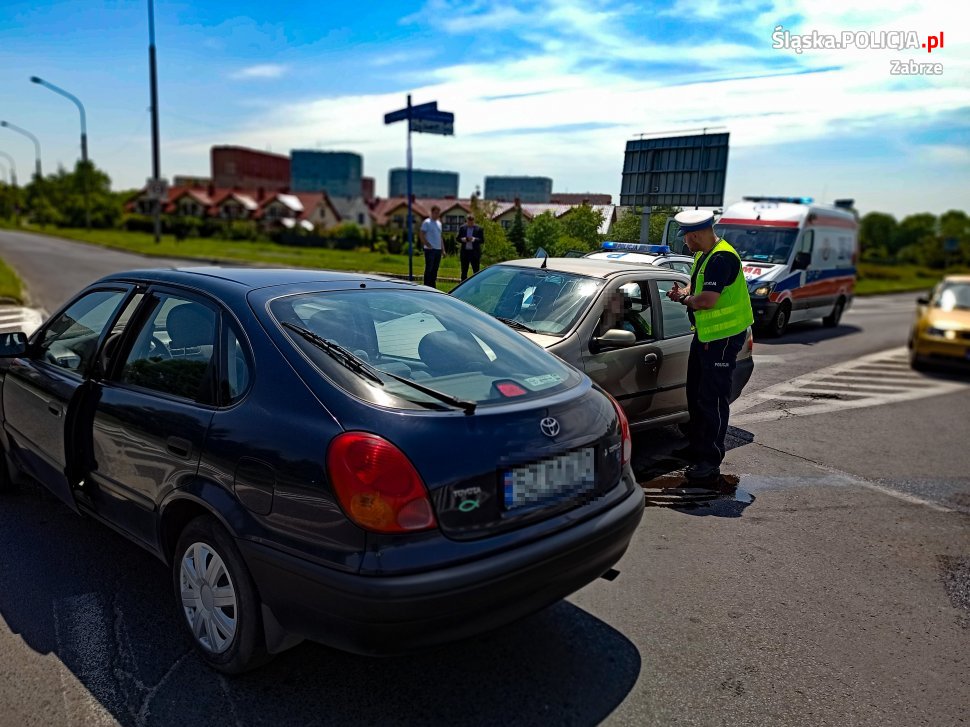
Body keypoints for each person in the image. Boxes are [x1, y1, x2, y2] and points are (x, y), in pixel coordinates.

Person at [665, 210, 754, 485]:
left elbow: (707, 301)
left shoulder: (721, 257)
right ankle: (697, 448)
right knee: (696, 394)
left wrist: (685, 300)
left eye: (686, 238)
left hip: (723, 339)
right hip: (705, 336)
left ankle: (709, 461)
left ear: (695, 235)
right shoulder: (704, 254)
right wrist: (686, 291)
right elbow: (697, 285)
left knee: (712, 400)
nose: (685, 244)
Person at [420, 205, 443, 288]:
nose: (437, 214)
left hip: (438, 250)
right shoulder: (427, 222)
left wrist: (443, 249)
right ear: (432, 212)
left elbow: (440, 237)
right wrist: (427, 244)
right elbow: (421, 234)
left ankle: (433, 286)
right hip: (430, 250)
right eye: (436, 212)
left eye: (438, 213)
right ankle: (426, 286)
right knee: (429, 269)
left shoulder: (439, 223)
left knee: (435, 269)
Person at [457, 214, 485, 281]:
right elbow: (457, 238)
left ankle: (477, 288)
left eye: (471, 222)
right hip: (465, 253)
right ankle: (462, 287)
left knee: (476, 272)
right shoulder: (462, 228)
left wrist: (474, 239)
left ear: (474, 221)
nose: (470, 224)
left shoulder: (479, 229)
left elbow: (482, 240)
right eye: (469, 222)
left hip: (474, 253)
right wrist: (463, 239)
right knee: (464, 272)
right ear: (467, 221)